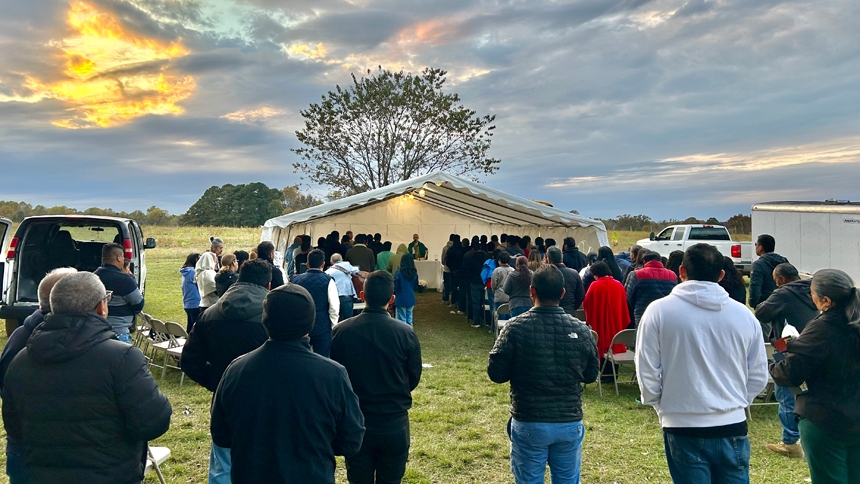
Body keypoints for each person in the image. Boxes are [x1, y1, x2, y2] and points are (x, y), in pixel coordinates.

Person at [2, 272, 172, 484]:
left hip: (43, 475)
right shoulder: (122, 358)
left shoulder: (21, 360)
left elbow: (14, 427)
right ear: (102, 307)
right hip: (110, 475)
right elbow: (153, 422)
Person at [635, 243, 768, 484]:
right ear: (721, 275)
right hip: (732, 423)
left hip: (682, 423)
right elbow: (758, 374)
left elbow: (647, 370)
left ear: (681, 271)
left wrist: (662, 405)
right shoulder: (744, 316)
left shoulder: (658, 312)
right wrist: (734, 402)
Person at [210, 284, 365, 483]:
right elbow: (351, 440)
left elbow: (221, 434)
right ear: (310, 322)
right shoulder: (332, 375)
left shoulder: (236, 370)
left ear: (265, 320)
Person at [488, 264, 599, 484]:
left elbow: (496, 373)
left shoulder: (514, 328)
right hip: (568, 420)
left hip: (529, 419)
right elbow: (590, 374)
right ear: (563, 293)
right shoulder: (581, 330)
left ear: (532, 292)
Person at [182, 258, 272, 484]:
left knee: (223, 463)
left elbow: (190, 360)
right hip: (266, 398)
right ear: (269, 285)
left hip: (225, 397)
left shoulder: (210, 313)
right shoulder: (273, 315)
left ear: (238, 278)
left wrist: (218, 382)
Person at [330, 271, 422, 483]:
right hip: (393, 419)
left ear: (362, 296)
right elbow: (413, 376)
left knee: (358, 476)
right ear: (392, 300)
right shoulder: (405, 333)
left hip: (355, 418)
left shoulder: (341, 331)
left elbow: (335, 374)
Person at [770, 269, 860, 483]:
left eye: (812, 293)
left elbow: (790, 373)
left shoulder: (822, 329)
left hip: (824, 419)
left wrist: (776, 365)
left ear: (825, 300)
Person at [0, 267, 76, 484]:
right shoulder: (77, 340)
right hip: (65, 453)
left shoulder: (19, 335)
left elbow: (5, 388)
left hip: (24, 447)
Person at [753, 263, 818, 460]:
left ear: (780, 280)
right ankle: (807, 439)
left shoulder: (783, 293)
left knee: (787, 393)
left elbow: (761, 312)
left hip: (788, 349)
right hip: (815, 346)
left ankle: (790, 442)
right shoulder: (813, 289)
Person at [582, 262, 630, 376]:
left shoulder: (595, 285)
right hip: (616, 321)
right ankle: (614, 373)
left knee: (602, 342)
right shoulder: (619, 285)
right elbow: (624, 305)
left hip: (601, 321)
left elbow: (587, 303)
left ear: (596, 274)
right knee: (615, 341)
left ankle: (604, 375)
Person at [291, 249, 340, 357]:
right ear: (323, 264)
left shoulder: (295, 280)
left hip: (301, 326)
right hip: (322, 326)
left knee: (300, 357)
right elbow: (334, 307)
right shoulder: (328, 280)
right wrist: (333, 326)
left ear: (307, 264)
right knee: (323, 358)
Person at [94, 242, 144, 343]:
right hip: (118, 332)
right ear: (119, 258)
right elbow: (139, 304)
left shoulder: (93, 277)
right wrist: (131, 279)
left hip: (96, 331)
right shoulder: (125, 280)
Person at [625, 250, 677, 329]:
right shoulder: (672, 275)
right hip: (666, 319)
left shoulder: (636, 274)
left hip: (642, 319)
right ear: (660, 260)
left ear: (644, 261)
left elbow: (628, 298)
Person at [748, 234, 789, 308]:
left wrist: (754, 304)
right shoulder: (784, 261)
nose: (755, 247)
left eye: (756, 244)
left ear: (760, 247)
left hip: (765, 305)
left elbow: (755, 287)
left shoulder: (758, 265)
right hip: (783, 303)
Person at [546, 246, 585, 316]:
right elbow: (580, 295)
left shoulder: (545, 275)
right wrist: (572, 307)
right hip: (569, 312)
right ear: (562, 257)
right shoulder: (574, 273)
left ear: (548, 260)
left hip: (550, 314)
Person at [463, 238, 489, 327]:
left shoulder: (469, 256)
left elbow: (466, 269)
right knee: (484, 301)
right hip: (484, 281)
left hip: (474, 281)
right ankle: (484, 319)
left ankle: (476, 320)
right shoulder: (486, 256)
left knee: (475, 302)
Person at [326, 253, 360, 321]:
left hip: (334, 296)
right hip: (347, 295)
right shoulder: (347, 264)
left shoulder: (327, 272)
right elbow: (357, 272)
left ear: (331, 262)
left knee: (335, 319)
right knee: (348, 320)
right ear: (342, 260)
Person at [197, 237, 224, 315]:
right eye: (220, 248)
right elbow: (215, 290)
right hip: (209, 305)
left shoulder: (205, 273)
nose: (221, 250)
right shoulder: (206, 274)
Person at [394, 254, 419, 326]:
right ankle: (410, 334)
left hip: (400, 298)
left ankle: (403, 335)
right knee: (409, 319)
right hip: (411, 298)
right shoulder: (414, 273)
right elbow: (416, 286)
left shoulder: (399, 273)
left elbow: (395, 286)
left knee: (402, 320)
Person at [180, 252, 201, 331]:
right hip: (196, 303)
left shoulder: (186, 272)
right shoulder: (193, 272)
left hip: (188, 304)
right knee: (196, 329)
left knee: (190, 327)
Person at [491, 251, 515, 320]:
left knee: (500, 315)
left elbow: (493, 285)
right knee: (509, 316)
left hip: (499, 295)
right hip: (510, 296)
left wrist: (495, 291)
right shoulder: (513, 270)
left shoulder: (497, 271)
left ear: (499, 261)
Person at [441, 234, 456, 305]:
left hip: (446, 269)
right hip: (455, 270)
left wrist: (445, 264)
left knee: (446, 284)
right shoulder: (457, 248)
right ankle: (453, 300)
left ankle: (445, 299)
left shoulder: (445, 248)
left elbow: (443, 258)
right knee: (454, 285)